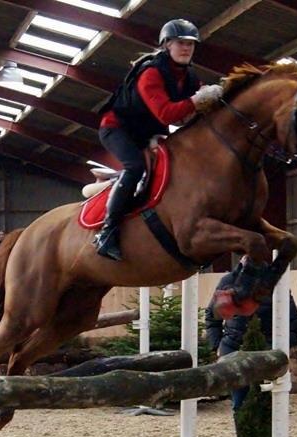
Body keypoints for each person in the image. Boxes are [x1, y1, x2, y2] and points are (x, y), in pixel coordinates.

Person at [93, 18, 224, 261]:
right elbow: (166, 114)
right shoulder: (151, 73)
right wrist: (198, 101)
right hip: (116, 128)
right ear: (167, 45)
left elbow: (194, 110)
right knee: (135, 167)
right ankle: (107, 232)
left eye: (190, 44)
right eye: (180, 43)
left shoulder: (189, 77)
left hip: (145, 132)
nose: (186, 48)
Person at [205, 257, 297, 437]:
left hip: (265, 352)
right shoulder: (228, 281)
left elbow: (293, 320)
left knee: (267, 402)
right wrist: (217, 345)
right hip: (234, 349)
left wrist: (282, 349)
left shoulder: (274, 285)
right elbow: (212, 316)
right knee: (239, 403)